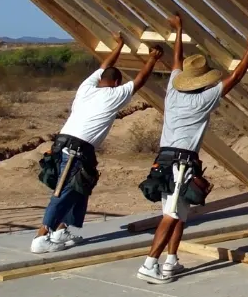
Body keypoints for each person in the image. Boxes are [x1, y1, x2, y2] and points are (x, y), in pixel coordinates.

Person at [137, 13, 248, 283]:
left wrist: (179, 30)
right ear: (203, 81)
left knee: (179, 212)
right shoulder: (204, 99)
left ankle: (171, 261)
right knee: (172, 214)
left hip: (166, 160)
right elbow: (236, 77)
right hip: (181, 163)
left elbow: (175, 60)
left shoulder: (172, 90)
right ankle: (149, 263)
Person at [31, 35, 162, 253]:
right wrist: (153, 59)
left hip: (70, 146)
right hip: (75, 149)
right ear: (117, 82)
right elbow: (139, 80)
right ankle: (41, 236)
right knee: (63, 191)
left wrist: (118, 47)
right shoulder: (114, 94)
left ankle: (61, 230)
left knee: (80, 189)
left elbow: (104, 66)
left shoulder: (86, 88)